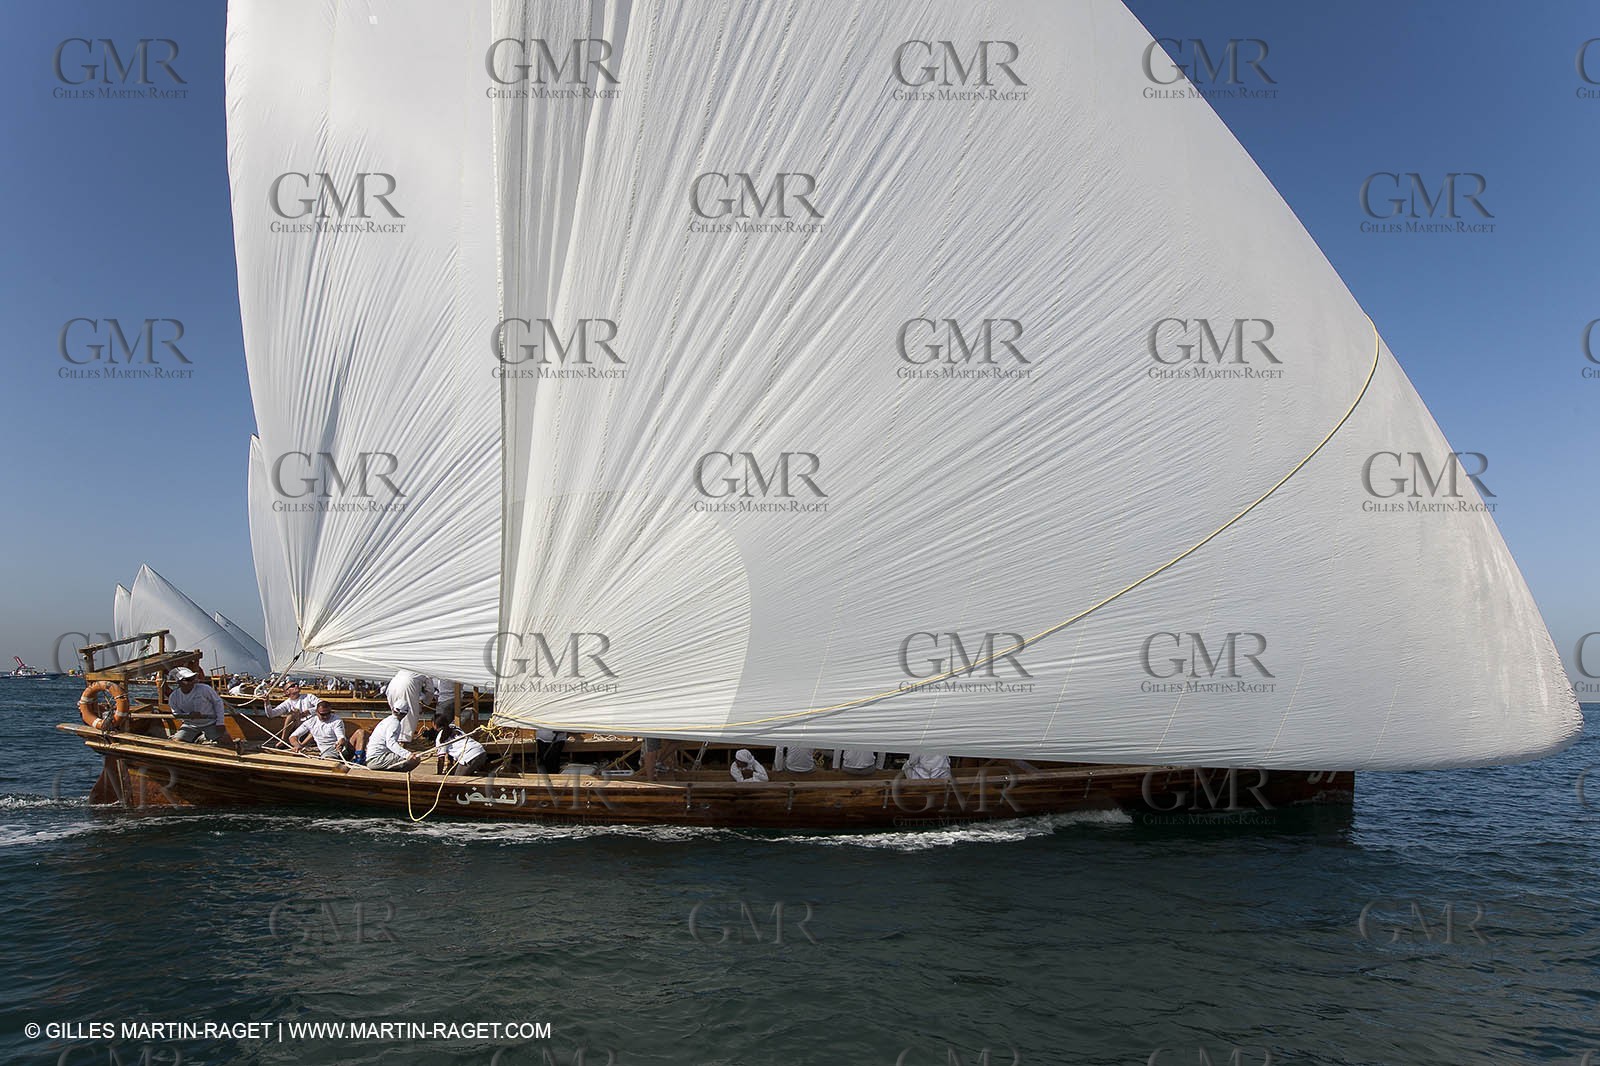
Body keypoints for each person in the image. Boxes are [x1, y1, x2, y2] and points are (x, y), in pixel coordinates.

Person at [168, 666, 228, 744]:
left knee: (227, 742)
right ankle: (200, 738)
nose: (191, 682)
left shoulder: (205, 689)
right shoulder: (174, 696)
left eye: (192, 679)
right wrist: (189, 715)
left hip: (210, 723)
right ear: (179, 682)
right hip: (189, 725)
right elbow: (176, 714)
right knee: (176, 743)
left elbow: (218, 703)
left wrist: (220, 723)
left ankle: (202, 738)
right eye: (187, 680)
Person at [288, 698, 356, 761]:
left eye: (328, 713)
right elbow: (293, 736)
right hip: (326, 752)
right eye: (323, 714)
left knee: (360, 733)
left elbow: (341, 736)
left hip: (338, 748)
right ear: (316, 712)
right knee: (329, 759)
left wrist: (340, 743)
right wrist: (297, 745)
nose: (326, 716)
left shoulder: (337, 720)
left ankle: (359, 759)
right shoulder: (311, 722)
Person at [362, 704, 420, 773]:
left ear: (393, 710)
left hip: (371, 758)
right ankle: (399, 778)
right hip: (376, 760)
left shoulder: (386, 720)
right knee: (415, 760)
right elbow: (391, 744)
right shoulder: (395, 724)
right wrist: (408, 755)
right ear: (405, 714)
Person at [431, 710, 490, 776]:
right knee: (462, 774)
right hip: (480, 750)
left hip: (469, 756)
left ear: (435, 724)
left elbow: (441, 759)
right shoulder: (455, 727)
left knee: (457, 780)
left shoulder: (440, 738)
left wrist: (439, 775)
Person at [385, 669, 435, 742]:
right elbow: (430, 690)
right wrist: (426, 703)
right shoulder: (426, 669)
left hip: (392, 685)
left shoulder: (406, 668)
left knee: (396, 713)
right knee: (410, 716)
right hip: (408, 685)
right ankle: (403, 741)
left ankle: (393, 738)